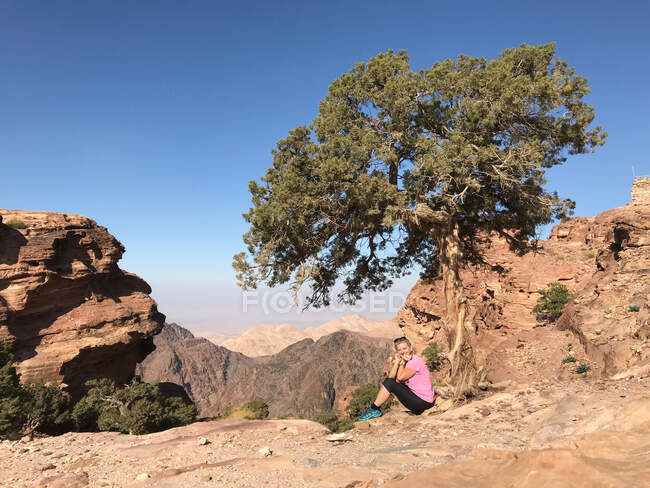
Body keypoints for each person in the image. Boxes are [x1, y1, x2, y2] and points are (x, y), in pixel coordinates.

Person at [359, 336, 435, 420]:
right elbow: (391, 377)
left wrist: (402, 363)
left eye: (404, 348)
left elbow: (399, 378)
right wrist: (397, 362)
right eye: (399, 350)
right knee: (390, 381)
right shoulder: (407, 361)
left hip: (423, 404)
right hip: (419, 400)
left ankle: (373, 409)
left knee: (391, 383)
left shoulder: (415, 361)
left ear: (411, 348)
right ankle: (373, 409)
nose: (402, 351)